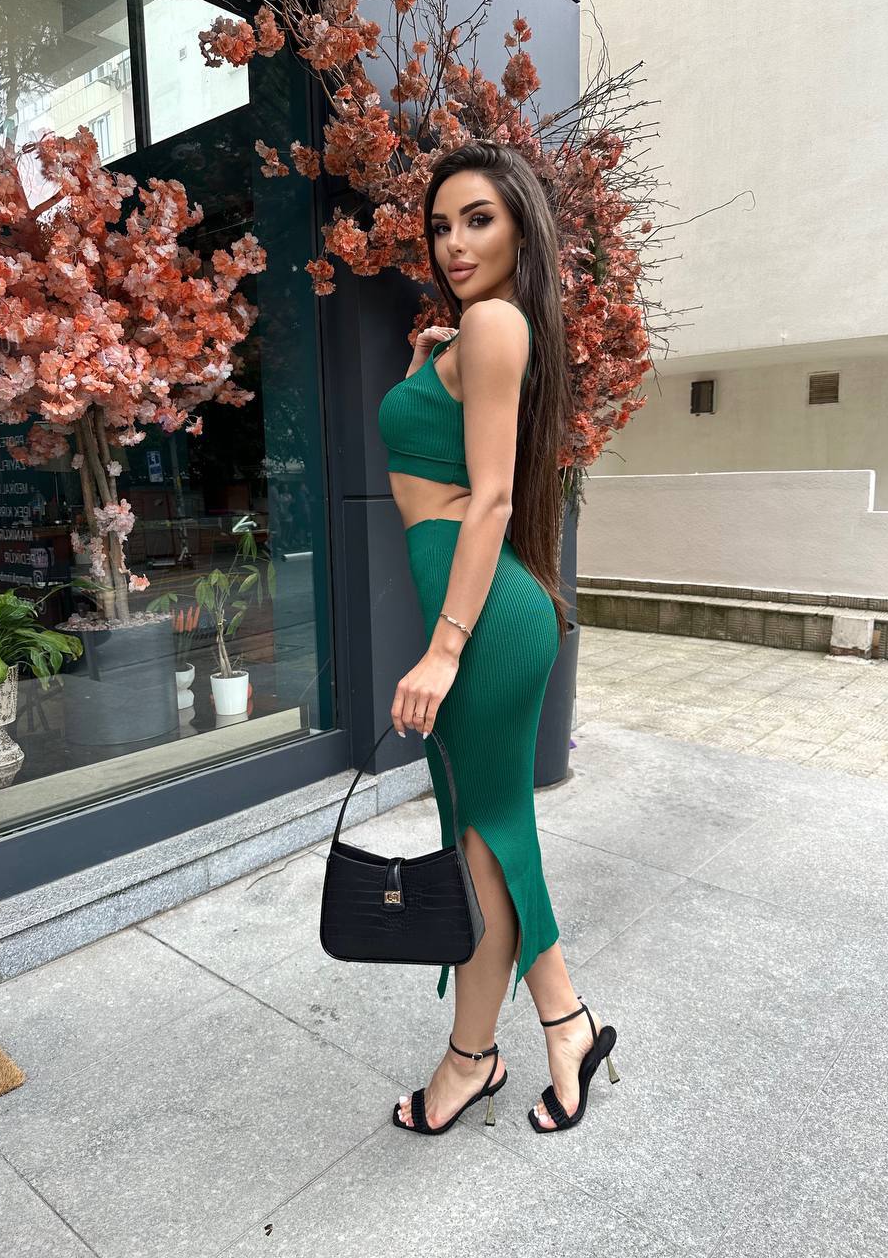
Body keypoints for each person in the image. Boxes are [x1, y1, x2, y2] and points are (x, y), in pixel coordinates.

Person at [378, 139, 619, 1135]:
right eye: (439, 225)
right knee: (481, 844)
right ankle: (552, 1027)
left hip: (475, 624)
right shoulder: (477, 332)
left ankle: (485, 1051)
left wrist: (441, 647)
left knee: (484, 843)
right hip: (481, 612)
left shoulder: (491, 322)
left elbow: (488, 502)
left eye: (476, 218)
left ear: (520, 223)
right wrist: (423, 368)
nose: (452, 241)